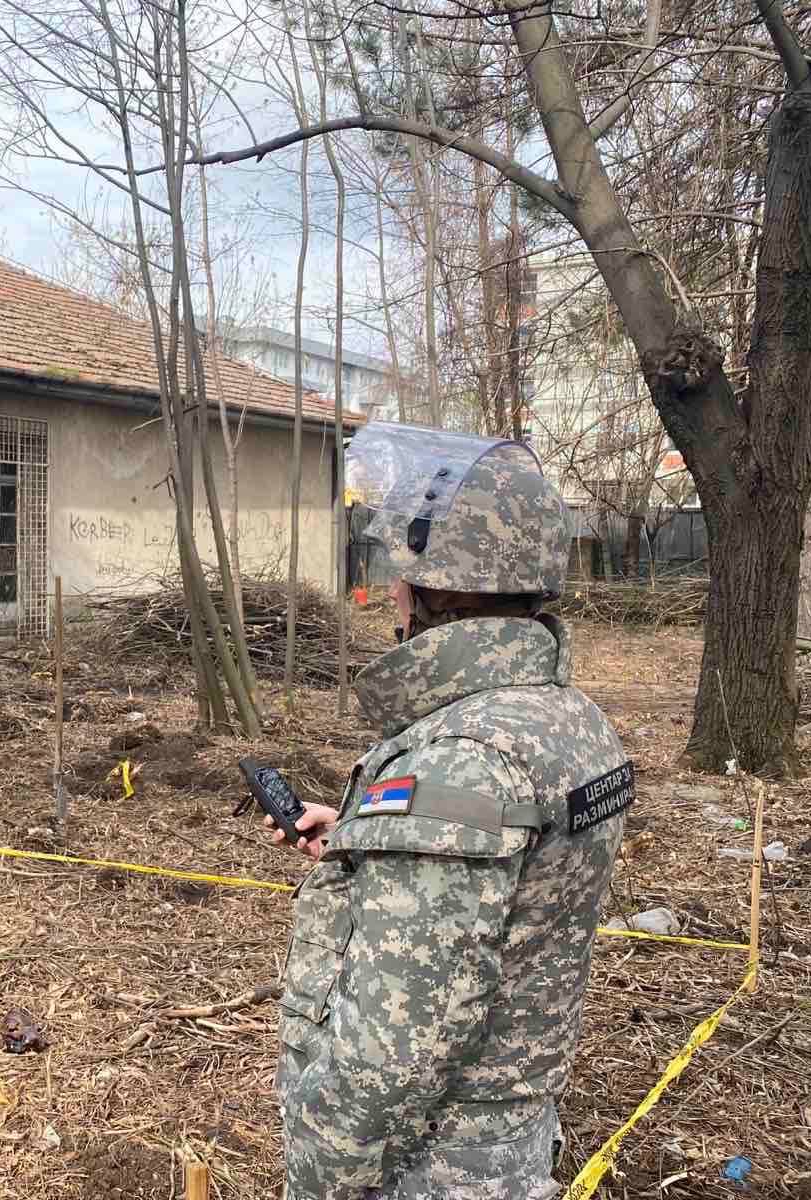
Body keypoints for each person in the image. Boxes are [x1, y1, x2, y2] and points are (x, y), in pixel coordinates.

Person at [265, 425, 632, 1200]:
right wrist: (367, 835)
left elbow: (396, 1052)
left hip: (428, 1163)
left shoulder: (460, 756)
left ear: (435, 586)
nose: (393, 590)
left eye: (404, 572)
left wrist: (318, 1173)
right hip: (509, 1135)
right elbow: (517, 884)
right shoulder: (569, 719)